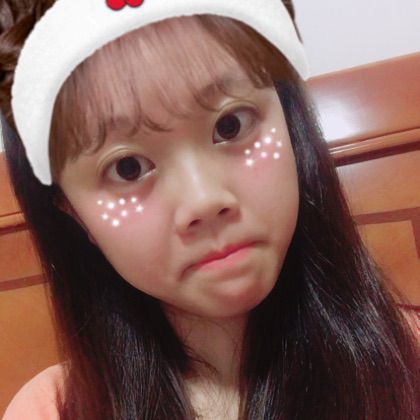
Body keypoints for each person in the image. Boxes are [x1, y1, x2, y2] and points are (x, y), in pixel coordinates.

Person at [1, 1, 418, 419]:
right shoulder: (49, 411)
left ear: (290, 121)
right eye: (127, 168)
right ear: (74, 213)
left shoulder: (408, 358)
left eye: (230, 125)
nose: (204, 200)